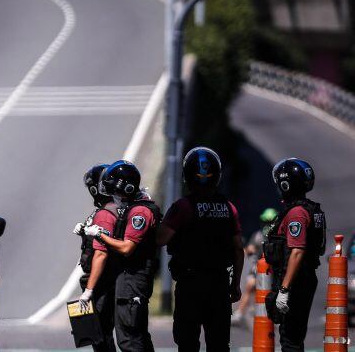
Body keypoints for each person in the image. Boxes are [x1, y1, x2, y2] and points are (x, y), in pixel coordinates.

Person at [156, 147, 244, 351]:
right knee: (219, 343)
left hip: (190, 284)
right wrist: (235, 284)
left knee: (187, 342)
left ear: (187, 175)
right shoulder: (228, 208)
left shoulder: (183, 207)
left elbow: (160, 239)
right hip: (220, 283)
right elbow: (238, 248)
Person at [94, 160, 159, 352]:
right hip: (130, 280)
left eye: (116, 191)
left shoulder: (140, 211)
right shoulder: (135, 209)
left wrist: (99, 234)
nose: (114, 196)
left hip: (133, 281)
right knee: (135, 335)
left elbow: (126, 248)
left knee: (129, 339)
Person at [263, 158, 326, 352]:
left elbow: (297, 251)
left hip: (295, 281)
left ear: (286, 184)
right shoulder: (308, 209)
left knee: (290, 339)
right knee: (294, 337)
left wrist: (284, 290)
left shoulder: (297, 213)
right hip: (302, 278)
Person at [72, 164, 119, 352]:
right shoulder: (109, 210)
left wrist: (89, 290)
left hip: (101, 282)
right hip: (101, 279)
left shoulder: (105, 214)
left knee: (100, 335)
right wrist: (84, 232)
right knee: (98, 334)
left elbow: (101, 252)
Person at [232, 207, 278, 326]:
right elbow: (249, 249)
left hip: (273, 268)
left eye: (270, 222)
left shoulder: (279, 236)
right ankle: (241, 313)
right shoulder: (258, 235)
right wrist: (248, 249)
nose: (268, 225)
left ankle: (273, 314)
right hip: (258, 266)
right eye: (266, 222)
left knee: (273, 290)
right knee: (250, 286)